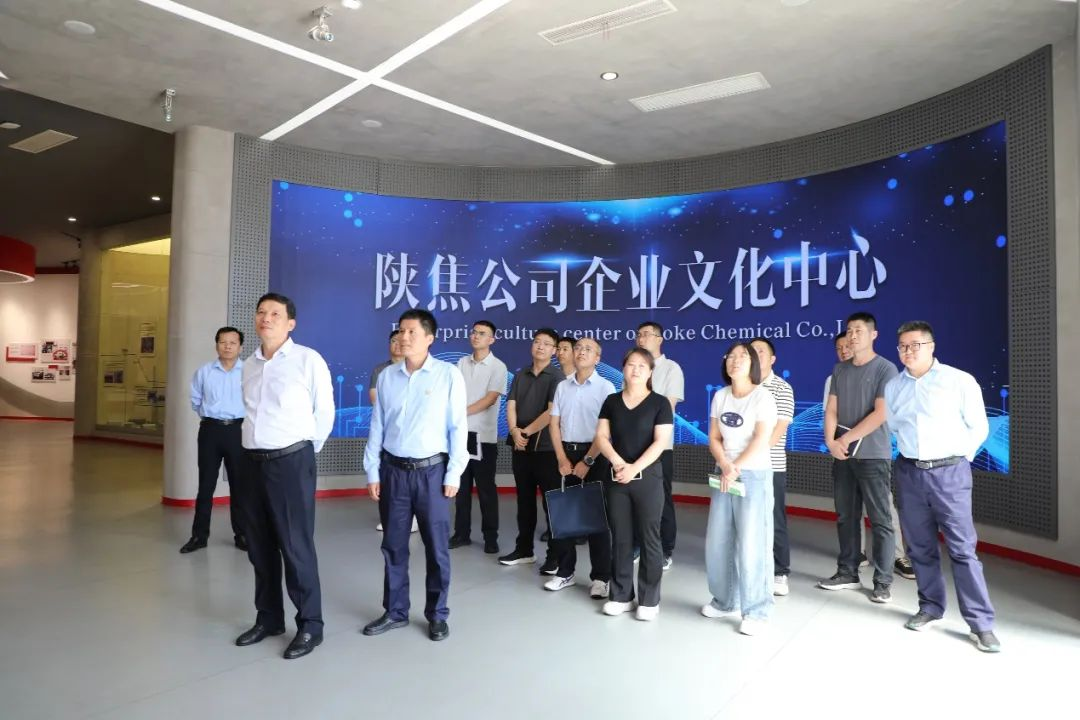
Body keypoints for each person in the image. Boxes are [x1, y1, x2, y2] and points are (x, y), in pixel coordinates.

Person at [884, 321, 999, 652]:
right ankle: (931, 607)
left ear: (931, 346)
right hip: (909, 473)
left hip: (950, 473)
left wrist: (959, 460)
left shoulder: (958, 381)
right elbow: (895, 427)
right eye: (903, 346)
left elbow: (979, 427)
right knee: (919, 548)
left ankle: (980, 623)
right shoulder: (894, 387)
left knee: (962, 549)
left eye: (915, 345)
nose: (908, 351)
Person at [235, 292, 335, 660]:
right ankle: (269, 618)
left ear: (291, 323)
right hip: (251, 463)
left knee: (295, 546)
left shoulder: (308, 360)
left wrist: (303, 453)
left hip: (291, 462)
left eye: (275, 313)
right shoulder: (249, 364)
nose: (266, 318)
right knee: (259, 546)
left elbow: (325, 412)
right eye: (261, 312)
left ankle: (311, 624)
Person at [362, 309, 468, 643]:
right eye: (401, 331)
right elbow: (378, 426)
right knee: (393, 546)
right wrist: (372, 470)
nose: (404, 337)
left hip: (432, 473)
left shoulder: (447, 375)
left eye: (412, 332)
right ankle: (395, 611)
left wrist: (454, 473)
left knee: (437, 548)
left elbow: (457, 426)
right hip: (393, 472)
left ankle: (437, 614)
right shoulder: (387, 377)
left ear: (429, 338)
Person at [819, 312, 899, 603]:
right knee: (846, 516)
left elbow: (881, 413)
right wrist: (830, 441)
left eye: (859, 331)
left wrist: (845, 439)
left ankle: (882, 581)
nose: (852, 336)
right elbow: (831, 409)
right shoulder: (840, 370)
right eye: (850, 330)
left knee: (880, 519)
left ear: (873, 335)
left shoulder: (886, 368)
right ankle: (847, 572)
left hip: (873, 455)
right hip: (842, 455)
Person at [700, 342, 777, 636]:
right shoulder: (720, 396)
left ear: (753, 363)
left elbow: (761, 438)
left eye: (742, 356)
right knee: (718, 540)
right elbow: (714, 436)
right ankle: (725, 601)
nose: (735, 360)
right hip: (724, 473)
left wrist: (736, 467)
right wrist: (725, 464)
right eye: (731, 356)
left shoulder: (763, 396)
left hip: (753, 474)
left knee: (753, 543)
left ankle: (757, 611)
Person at [594, 348, 673, 621]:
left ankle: (649, 600)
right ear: (623, 369)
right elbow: (602, 437)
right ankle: (621, 595)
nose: (636, 369)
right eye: (631, 364)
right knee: (621, 537)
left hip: (648, 478)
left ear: (650, 372)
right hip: (617, 477)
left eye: (642, 365)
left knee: (650, 537)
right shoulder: (611, 401)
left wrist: (634, 468)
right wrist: (618, 463)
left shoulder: (660, 403)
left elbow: (660, 442)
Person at [545, 337, 615, 598]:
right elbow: (554, 424)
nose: (581, 352)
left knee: (596, 519)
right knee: (563, 516)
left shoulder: (606, 387)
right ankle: (565, 572)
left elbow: (605, 430)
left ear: (598, 358)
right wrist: (561, 458)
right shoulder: (562, 386)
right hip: (565, 453)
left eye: (588, 349)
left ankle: (601, 578)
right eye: (578, 348)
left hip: (594, 454)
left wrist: (588, 460)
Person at [180, 326, 248, 554]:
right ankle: (199, 536)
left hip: (238, 431)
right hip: (210, 431)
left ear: (240, 347)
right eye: (223, 342)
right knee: (206, 485)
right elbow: (196, 401)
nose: (228, 346)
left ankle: (242, 535)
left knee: (240, 486)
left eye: (233, 343)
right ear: (216, 345)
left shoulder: (249, 372)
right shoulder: (204, 372)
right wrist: (212, 418)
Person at [498, 328, 562, 568]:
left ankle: (555, 557)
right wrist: (514, 430)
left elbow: (551, 411)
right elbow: (511, 405)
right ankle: (524, 550)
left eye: (546, 343)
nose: (540, 346)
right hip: (520, 446)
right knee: (524, 501)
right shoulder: (521, 374)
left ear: (554, 350)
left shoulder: (556, 376)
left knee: (551, 503)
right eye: (537, 342)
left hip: (546, 449)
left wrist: (525, 432)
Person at [449, 321, 508, 554]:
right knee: (461, 488)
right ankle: (461, 534)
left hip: (483, 438)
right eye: (474, 332)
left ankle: (490, 537)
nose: (476, 336)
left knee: (486, 490)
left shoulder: (498, 366)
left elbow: (490, 399)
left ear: (492, 340)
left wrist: (460, 413)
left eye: (482, 334)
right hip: (460, 435)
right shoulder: (461, 363)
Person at [635, 322, 684, 570]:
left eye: (647, 334)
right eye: (639, 335)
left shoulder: (671, 368)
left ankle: (665, 548)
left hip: (659, 446)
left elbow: (668, 408)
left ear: (660, 339)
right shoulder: (633, 368)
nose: (641, 338)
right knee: (634, 497)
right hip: (632, 446)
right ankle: (637, 544)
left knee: (661, 499)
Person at [749, 338, 795, 596]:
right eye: (752, 352)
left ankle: (780, 571)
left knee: (773, 518)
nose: (755, 355)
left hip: (770, 465)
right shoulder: (743, 386)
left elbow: (778, 430)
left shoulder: (782, 388)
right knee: (746, 519)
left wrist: (751, 455)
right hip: (742, 466)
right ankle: (751, 566)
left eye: (761, 351)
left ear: (772, 359)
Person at [369, 329, 418, 534]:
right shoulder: (381, 370)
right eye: (393, 341)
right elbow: (375, 398)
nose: (398, 344)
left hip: (412, 433)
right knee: (388, 476)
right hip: (387, 431)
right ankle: (389, 517)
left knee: (411, 478)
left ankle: (413, 518)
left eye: (401, 340)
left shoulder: (415, 369)